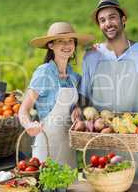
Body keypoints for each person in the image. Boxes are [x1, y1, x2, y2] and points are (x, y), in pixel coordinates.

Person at [72, 0, 138, 178]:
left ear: (123, 19)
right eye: (102, 20)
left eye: (112, 17)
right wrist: (79, 107)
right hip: (102, 148)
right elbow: (84, 93)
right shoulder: (91, 57)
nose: (107, 23)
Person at [19, 22, 94, 168]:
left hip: (68, 148)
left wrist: (76, 109)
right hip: (46, 147)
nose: (67, 45)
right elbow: (23, 109)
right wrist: (28, 125)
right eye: (61, 41)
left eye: (70, 41)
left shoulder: (73, 76)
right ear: (51, 45)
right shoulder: (44, 73)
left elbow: (79, 100)